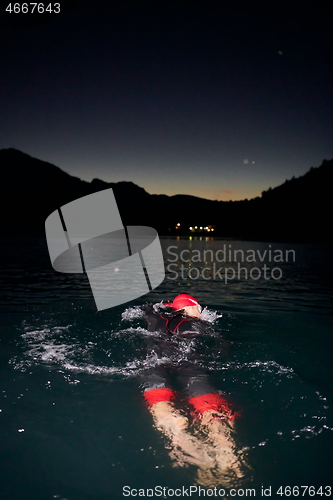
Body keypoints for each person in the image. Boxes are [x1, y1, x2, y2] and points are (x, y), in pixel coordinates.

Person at [141, 294, 244, 485]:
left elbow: (148, 307)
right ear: (189, 309)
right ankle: (226, 455)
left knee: (159, 403)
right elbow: (221, 348)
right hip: (189, 365)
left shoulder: (155, 318)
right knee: (208, 405)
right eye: (198, 307)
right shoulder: (198, 325)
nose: (201, 311)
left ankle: (178, 431)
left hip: (154, 361)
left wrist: (166, 305)